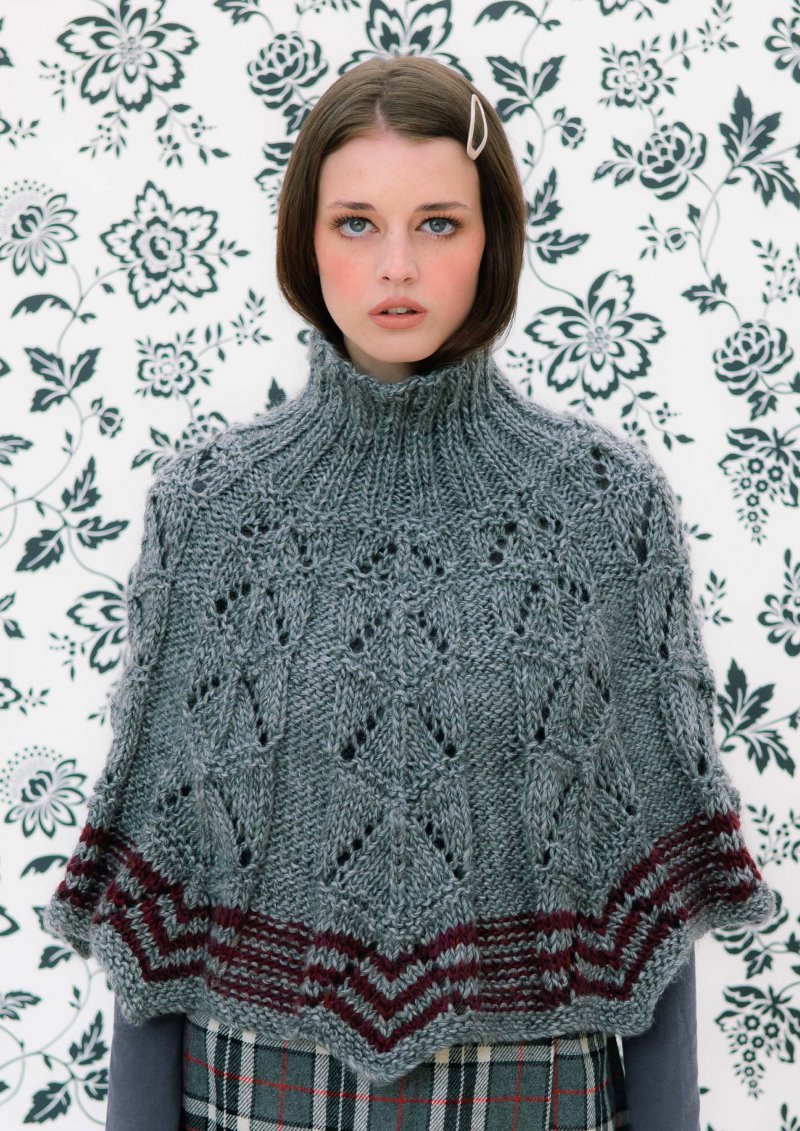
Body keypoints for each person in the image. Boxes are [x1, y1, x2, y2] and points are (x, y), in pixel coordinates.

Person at [44, 55, 775, 1131]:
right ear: (304, 239)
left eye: (438, 223)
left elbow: (651, 897)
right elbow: (158, 899)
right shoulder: (208, 508)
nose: (397, 265)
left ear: (492, 239)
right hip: (253, 1093)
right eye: (356, 223)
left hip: (536, 1096)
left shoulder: (603, 504)